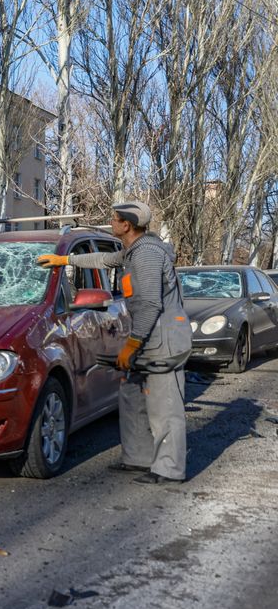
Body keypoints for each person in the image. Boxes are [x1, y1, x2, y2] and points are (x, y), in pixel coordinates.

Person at [37, 201, 192, 485]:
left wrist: (132, 345)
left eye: (115, 219)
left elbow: (148, 305)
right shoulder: (132, 251)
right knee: (132, 396)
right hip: (148, 338)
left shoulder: (146, 255)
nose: (112, 222)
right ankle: (138, 459)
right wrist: (65, 261)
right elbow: (104, 260)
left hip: (163, 339)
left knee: (163, 405)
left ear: (127, 225)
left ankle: (168, 469)